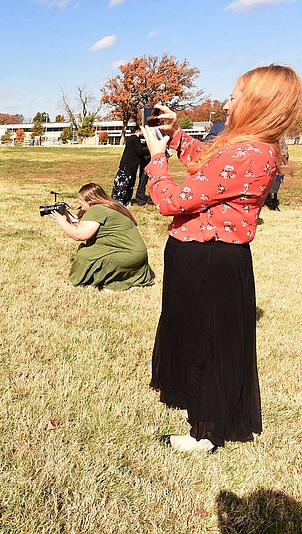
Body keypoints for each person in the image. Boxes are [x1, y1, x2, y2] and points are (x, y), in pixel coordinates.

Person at [142, 65, 302, 453]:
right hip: (203, 254)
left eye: (234, 97)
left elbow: (171, 201)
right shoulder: (246, 146)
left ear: (258, 104)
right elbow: (205, 163)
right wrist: (176, 133)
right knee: (198, 337)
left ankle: (205, 434)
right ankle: (202, 417)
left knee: (206, 343)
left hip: (209, 259)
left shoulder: (250, 152)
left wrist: (158, 158)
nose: (227, 104)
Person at [51, 182, 154, 291]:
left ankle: (102, 279)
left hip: (128, 256)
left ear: (90, 200)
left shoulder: (97, 210)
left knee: (84, 255)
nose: (79, 202)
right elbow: (85, 226)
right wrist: (68, 217)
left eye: (81, 199)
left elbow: (79, 235)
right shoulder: (109, 206)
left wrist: (61, 221)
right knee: (87, 249)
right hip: (137, 256)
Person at [111, 131, 151, 206]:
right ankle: (122, 200)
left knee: (122, 182)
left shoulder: (131, 138)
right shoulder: (135, 139)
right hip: (130, 165)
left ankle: (118, 198)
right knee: (126, 183)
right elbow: (140, 151)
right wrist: (150, 148)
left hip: (126, 164)